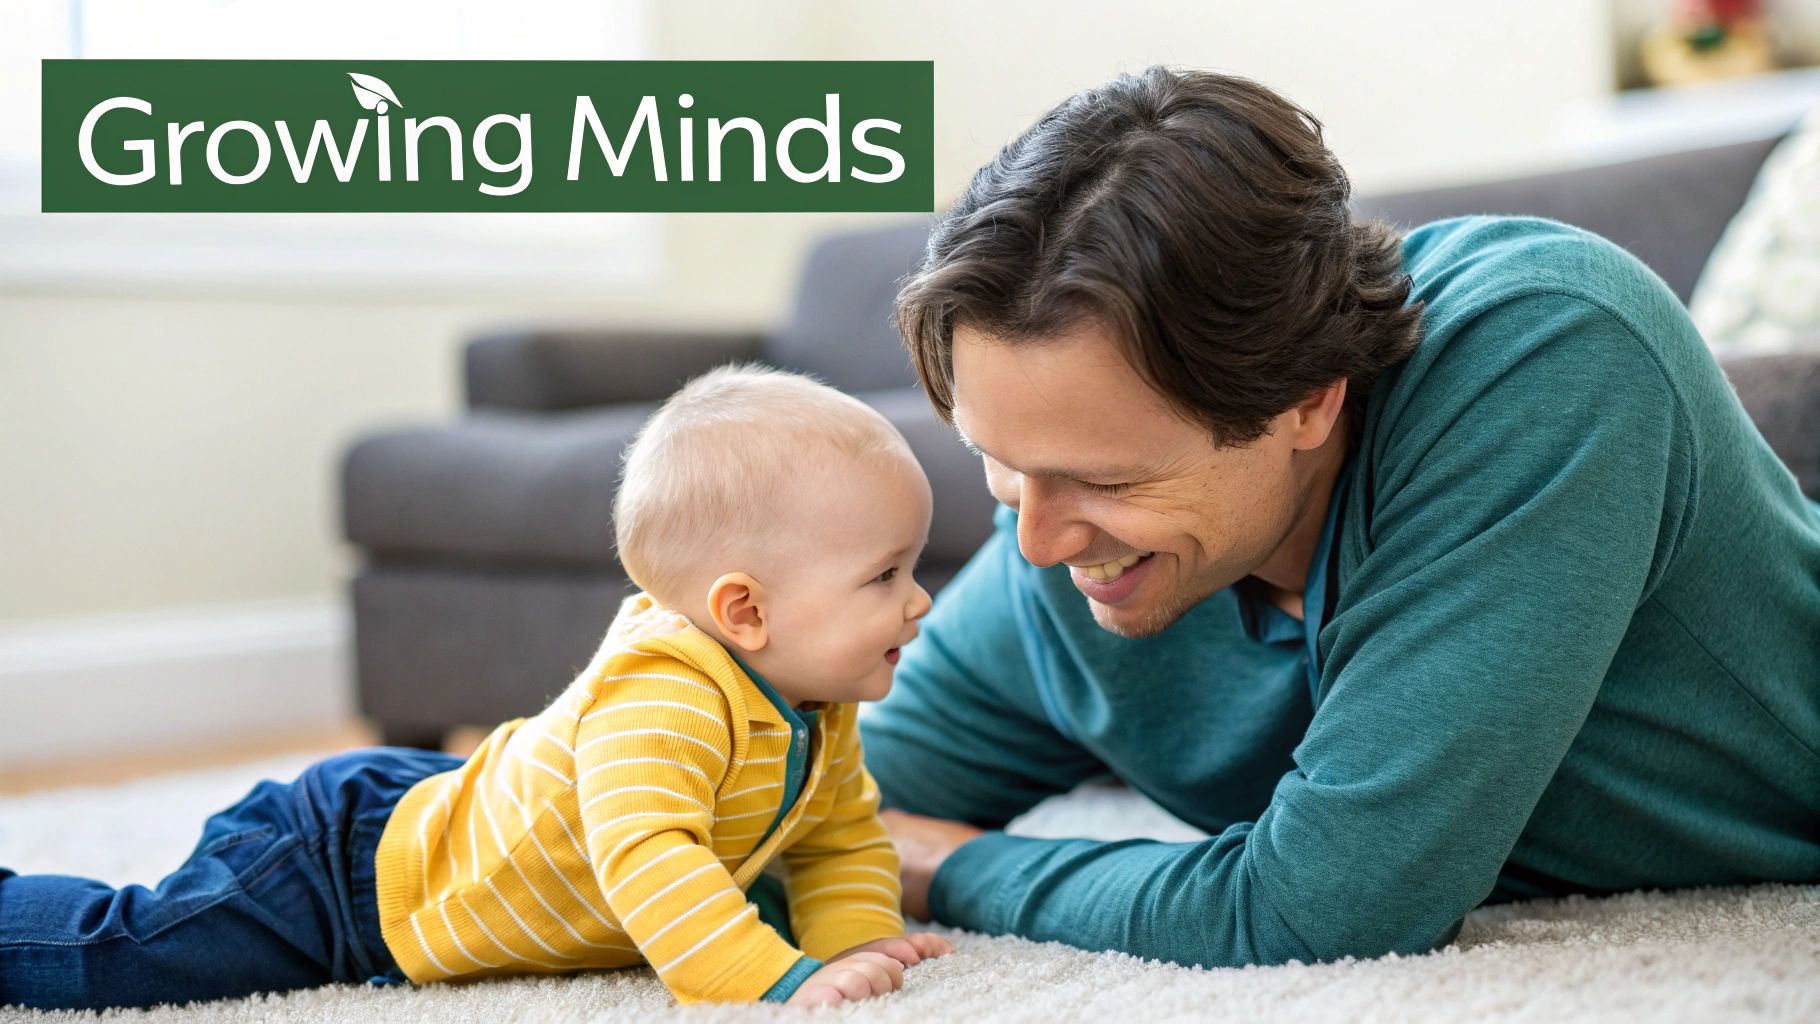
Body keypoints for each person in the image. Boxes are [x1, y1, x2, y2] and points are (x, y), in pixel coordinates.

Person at [861, 65, 1820, 969]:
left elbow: (1321, 912)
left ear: (1311, 397)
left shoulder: (1546, 354)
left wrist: (945, 867)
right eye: (997, 462)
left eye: (1106, 481)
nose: (1035, 542)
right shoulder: (1057, 552)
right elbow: (803, 803)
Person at [0, 364, 951, 1011]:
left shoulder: (815, 704)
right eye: (885, 576)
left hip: (441, 810)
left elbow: (838, 837)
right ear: (744, 612)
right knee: (127, 957)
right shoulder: (663, 695)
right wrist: (774, 987)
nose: (918, 602)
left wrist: (853, 945)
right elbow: (650, 860)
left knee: (770, 905)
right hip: (345, 877)